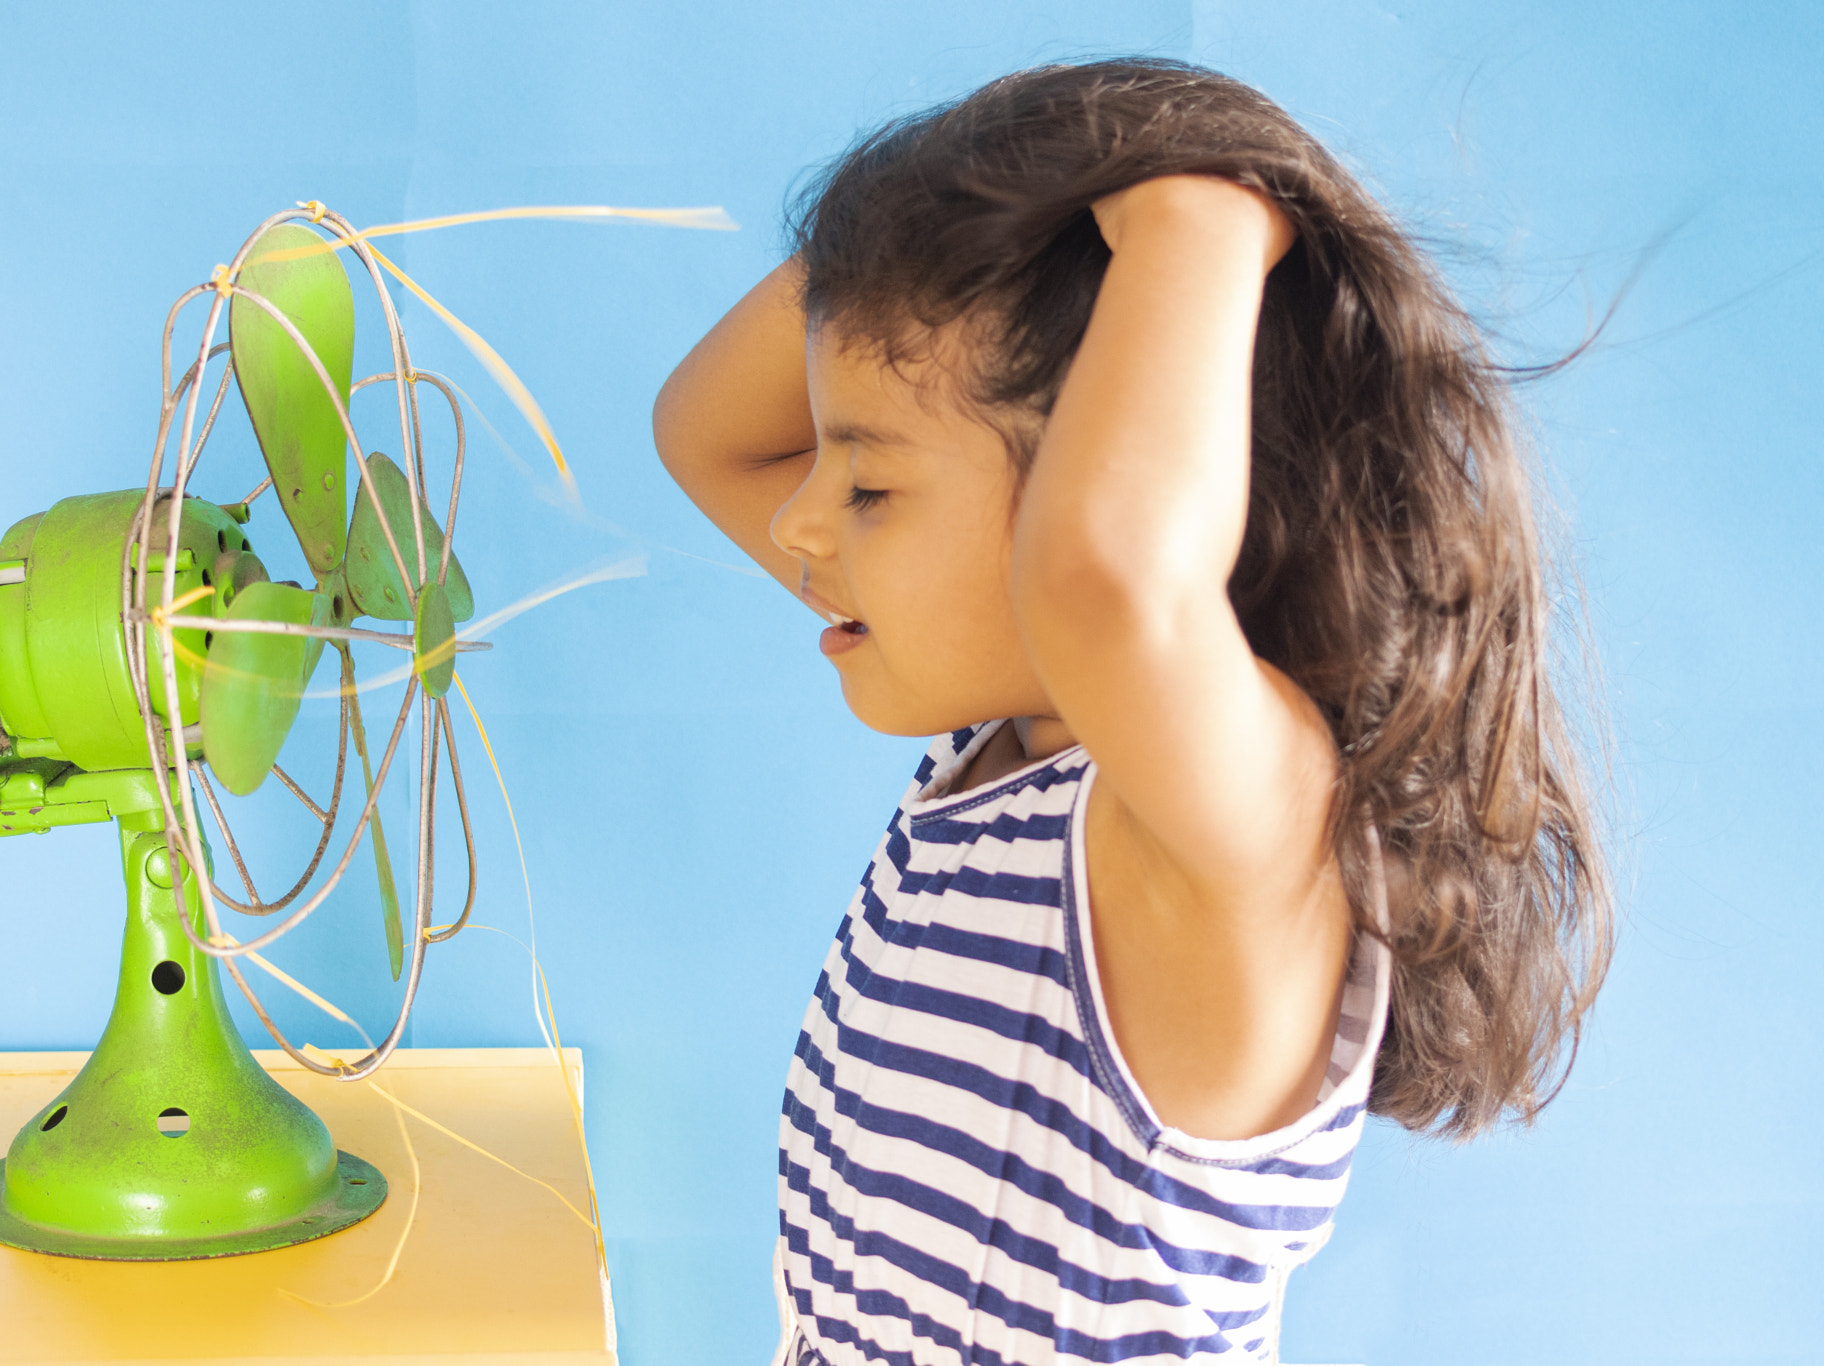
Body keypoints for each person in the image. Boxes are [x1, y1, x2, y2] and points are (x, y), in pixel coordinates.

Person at [652, 58, 1610, 1365]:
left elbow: (1106, 580)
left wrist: (1199, 213)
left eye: (869, 485)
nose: (799, 517)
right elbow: (703, 429)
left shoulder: (1236, 828)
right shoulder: (997, 755)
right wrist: (962, 211)